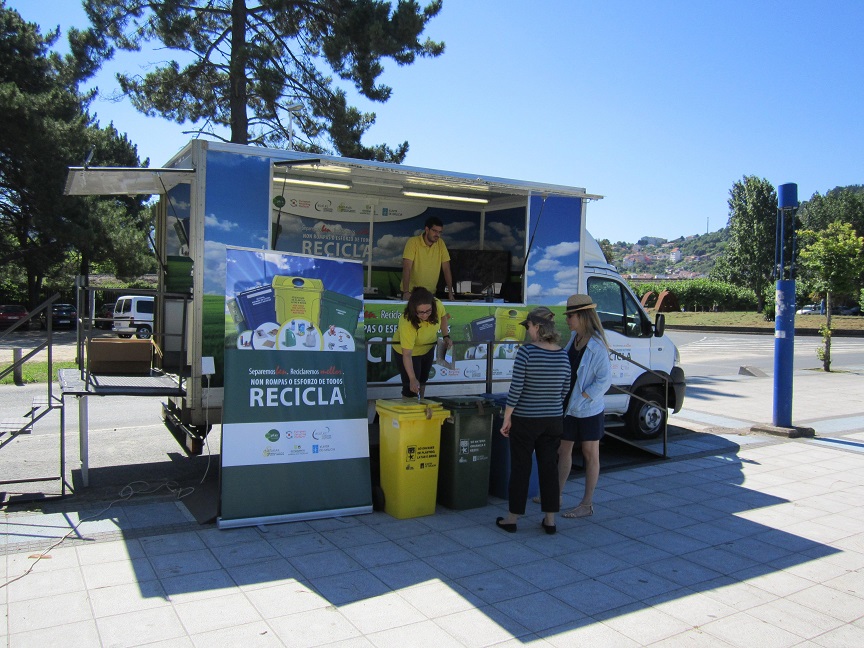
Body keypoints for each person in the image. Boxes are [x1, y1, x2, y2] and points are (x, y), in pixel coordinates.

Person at [496, 307, 570, 535]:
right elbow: (565, 389)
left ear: (538, 327)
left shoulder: (526, 353)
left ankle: (512, 518)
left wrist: (507, 417)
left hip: (526, 420)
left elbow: (515, 389)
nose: (527, 331)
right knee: (549, 468)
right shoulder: (562, 354)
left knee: (521, 468)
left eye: (528, 326)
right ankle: (550, 520)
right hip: (553, 420)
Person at [559, 293, 612, 519]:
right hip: (570, 406)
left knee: (591, 455)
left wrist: (585, 393)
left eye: (570, 316)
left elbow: (605, 380)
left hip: (588, 408)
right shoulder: (575, 339)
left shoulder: (597, 346)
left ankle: (586, 504)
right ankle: (556, 493)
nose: (567, 320)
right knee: (563, 450)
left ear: (582, 316)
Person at [392, 288, 452, 398]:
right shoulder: (407, 322)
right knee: (411, 388)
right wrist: (412, 378)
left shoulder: (437, 304)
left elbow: (443, 316)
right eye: (420, 312)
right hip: (409, 353)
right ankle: (409, 411)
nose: (425, 315)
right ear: (413, 309)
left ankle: (421, 404)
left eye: (428, 311)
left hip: (428, 347)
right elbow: (407, 354)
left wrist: (446, 336)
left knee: (423, 381)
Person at [401, 216, 455, 300]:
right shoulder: (413, 242)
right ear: (427, 229)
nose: (437, 235)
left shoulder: (441, 243)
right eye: (434, 231)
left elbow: (446, 269)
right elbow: (407, 267)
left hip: (431, 294)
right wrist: (406, 292)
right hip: (412, 293)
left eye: (440, 232)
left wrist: (450, 293)